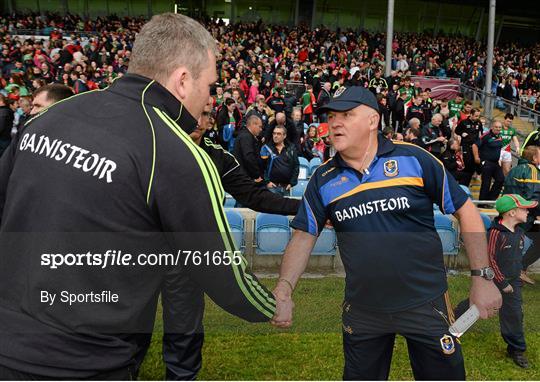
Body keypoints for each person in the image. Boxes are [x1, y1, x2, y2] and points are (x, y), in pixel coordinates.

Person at [0, 13, 276, 379]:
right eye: (209, 86)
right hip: (86, 361)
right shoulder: (175, 152)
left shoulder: (50, 117)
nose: (209, 100)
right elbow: (220, 271)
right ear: (182, 81)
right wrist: (275, 304)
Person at [271, 86, 502, 380]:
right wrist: (284, 288)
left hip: (426, 302)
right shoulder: (323, 179)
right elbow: (304, 236)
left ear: (372, 120)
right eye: (331, 116)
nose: (335, 122)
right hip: (363, 309)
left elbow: (466, 211)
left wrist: (482, 278)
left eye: (347, 114)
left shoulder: (414, 158)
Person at [161, 104, 300, 380]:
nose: (196, 121)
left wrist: (302, 206)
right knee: (130, 328)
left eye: (203, 115)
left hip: (189, 258)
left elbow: (254, 196)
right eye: (190, 113)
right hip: (144, 253)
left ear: (211, 121)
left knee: (184, 332)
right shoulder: (157, 145)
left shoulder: (217, 155)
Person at [455, 194, 537, 369]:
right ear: (512, 213)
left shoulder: (520, 233)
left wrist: (518, 274)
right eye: (524, 209)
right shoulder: (495, 233)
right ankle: (454, 326)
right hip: (495, 281)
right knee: (476, 307)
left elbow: (516, 258)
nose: (528, 212)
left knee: (514, 314)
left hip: (513, 283)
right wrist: (502, 282)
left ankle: (516, 349)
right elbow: (490, 259)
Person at [503, 145, 540, 285]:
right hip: (524, 215)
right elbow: (533, 197)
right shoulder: (533, 171)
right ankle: (518, 271)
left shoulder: (513, 170)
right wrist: (538, 214)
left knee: (513, 244)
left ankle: (516, 272)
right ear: (534, 158)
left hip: (510, 213)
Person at [260, 125, 299, 196]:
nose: (275, 136)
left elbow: (296, 166)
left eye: (278, 134)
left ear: (284, 136)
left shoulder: (291, 149)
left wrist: (291, 183)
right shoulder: (266, 148)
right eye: (274, 133)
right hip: (271, 187)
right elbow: (262, 167)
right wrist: (267, 182)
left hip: (286, 188)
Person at [233, 115, 265, 182]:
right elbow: (249, 157)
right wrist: (257, 174)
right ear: (253, 125)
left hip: (245, 176)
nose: (261, 129)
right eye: (260, 126)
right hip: (246, 177)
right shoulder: (246, 137)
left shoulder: (245, 135)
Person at [478, 121, 504, 202]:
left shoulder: (500, 136)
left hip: (496, 163)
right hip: (487, 162)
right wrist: (477, 158)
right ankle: (482, 202)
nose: (498, 129)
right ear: (492, 127)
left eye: (500, 127)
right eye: (496, 127)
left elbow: (498, 149)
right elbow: (475, 145)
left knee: (501, 179)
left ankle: (490, 199)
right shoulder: (486, 135)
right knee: (486, 183)